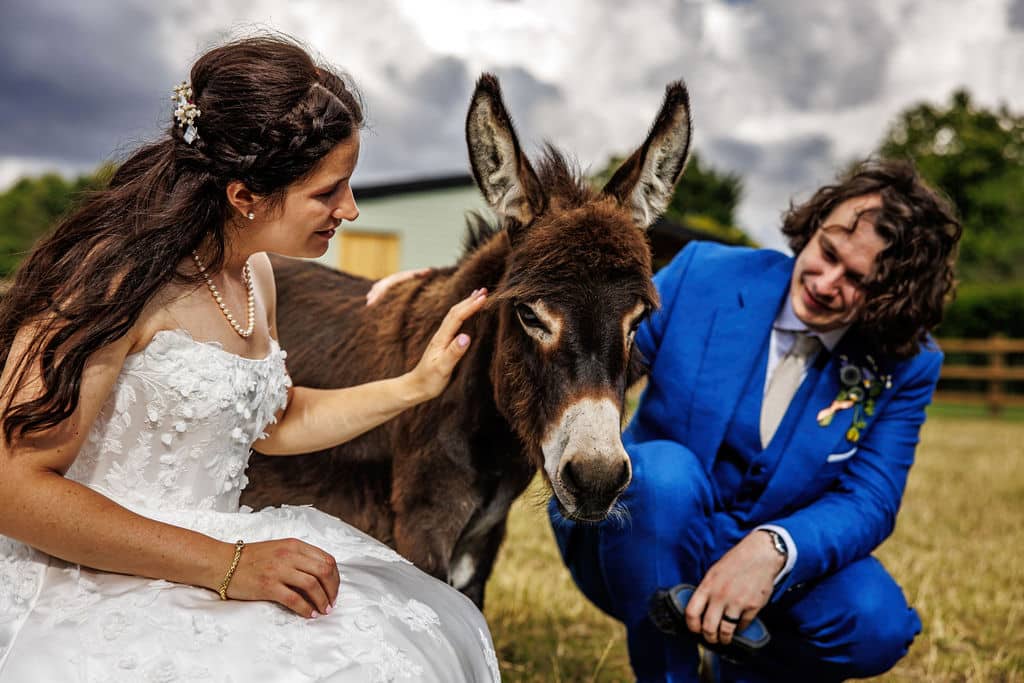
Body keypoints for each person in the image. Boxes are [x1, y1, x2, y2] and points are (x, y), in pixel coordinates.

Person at [0, 35, 501, 682]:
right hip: (89, 572)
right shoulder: (115, 279)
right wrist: (229, 564)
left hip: (222, 546)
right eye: (329, 192)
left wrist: (416, 385)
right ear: (245, 197)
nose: (349, 210)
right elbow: (14, 486)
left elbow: (273, 417)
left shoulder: (253, 272)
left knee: (400, 640)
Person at [547, 159, 962, 682]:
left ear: (892, 296)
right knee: (665, 474)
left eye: (857, 280)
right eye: (827, 253)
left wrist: (775, 551)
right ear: (815, 225)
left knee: (877, 622)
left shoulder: (910, 362)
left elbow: (871, 499)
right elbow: (593, 366)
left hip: (772, 566)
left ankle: (742, 668)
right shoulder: (702, 273)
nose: (826, 282)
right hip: (641, 535)